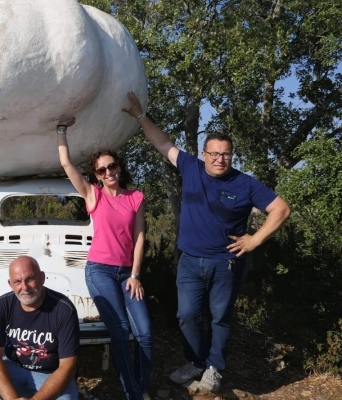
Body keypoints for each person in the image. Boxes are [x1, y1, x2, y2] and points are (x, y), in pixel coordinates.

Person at [122, 91, 291, 392]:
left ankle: (214, 368)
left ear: (231, 155)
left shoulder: (245, 183)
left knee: (220, 319)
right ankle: (195, 361)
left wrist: (254, 240)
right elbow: (163, 143)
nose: (219, 159)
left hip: (225, 263)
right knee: (186, 316)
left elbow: (281, 209)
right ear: (204, 154)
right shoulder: (192, 168)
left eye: (225, 154)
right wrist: (139, 115)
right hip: (188, 261)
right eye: (213, 153)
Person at [56, 120, 152, 400]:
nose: (108, 171)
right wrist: (61, 130)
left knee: (144, 334)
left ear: (119, 167)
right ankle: (135, 395)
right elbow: (66, 163)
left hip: (127, 274)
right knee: (121, 332)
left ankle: (141, 388)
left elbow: (140, 237)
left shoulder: (135, 197)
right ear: (96, 175)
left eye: (112, 166)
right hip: (99, 271)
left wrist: (135, 275)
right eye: (102, 169)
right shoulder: (93, 194)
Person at [0, 256, 80, 400]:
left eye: (30, 279)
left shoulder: (63, 309)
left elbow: (68, 366)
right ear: (10, 284)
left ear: (42, 278)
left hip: (51, 374)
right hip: (13, 368)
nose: (25, 288)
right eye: (17, 281)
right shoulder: (1, 306)